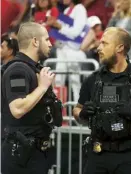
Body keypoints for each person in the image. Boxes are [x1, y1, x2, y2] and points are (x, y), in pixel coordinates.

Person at [72, 27, 131, 173]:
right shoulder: (92, 80)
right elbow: (76, 110)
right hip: (97, 155)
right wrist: (82, 114)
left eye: (104, 43)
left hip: (128, 157)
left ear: (120, 47)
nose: (98, 48)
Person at [1, 22, 62, 174]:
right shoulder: (18, 70)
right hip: (21, 156)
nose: (50, 44)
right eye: (46, 39)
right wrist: (42, 87)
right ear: (35, 41)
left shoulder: (34, 69)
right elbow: (17, 108)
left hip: (35, 152)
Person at [46, 0, 88, 102]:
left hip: (73, 50)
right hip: (62, 49)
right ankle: (61, 112)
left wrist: (59, 26)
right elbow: (60, 31)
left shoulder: (80, 9)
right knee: (59, 80)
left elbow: (76, 33)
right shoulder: (67, 10)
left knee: (75, 82)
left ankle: (79, 112)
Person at [107, 0, 131, 69]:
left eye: (122, 1)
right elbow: (108, 32)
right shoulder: (119, 16)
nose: (119, 3)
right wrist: (114, 16)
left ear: (130, 2)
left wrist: (120, 33)